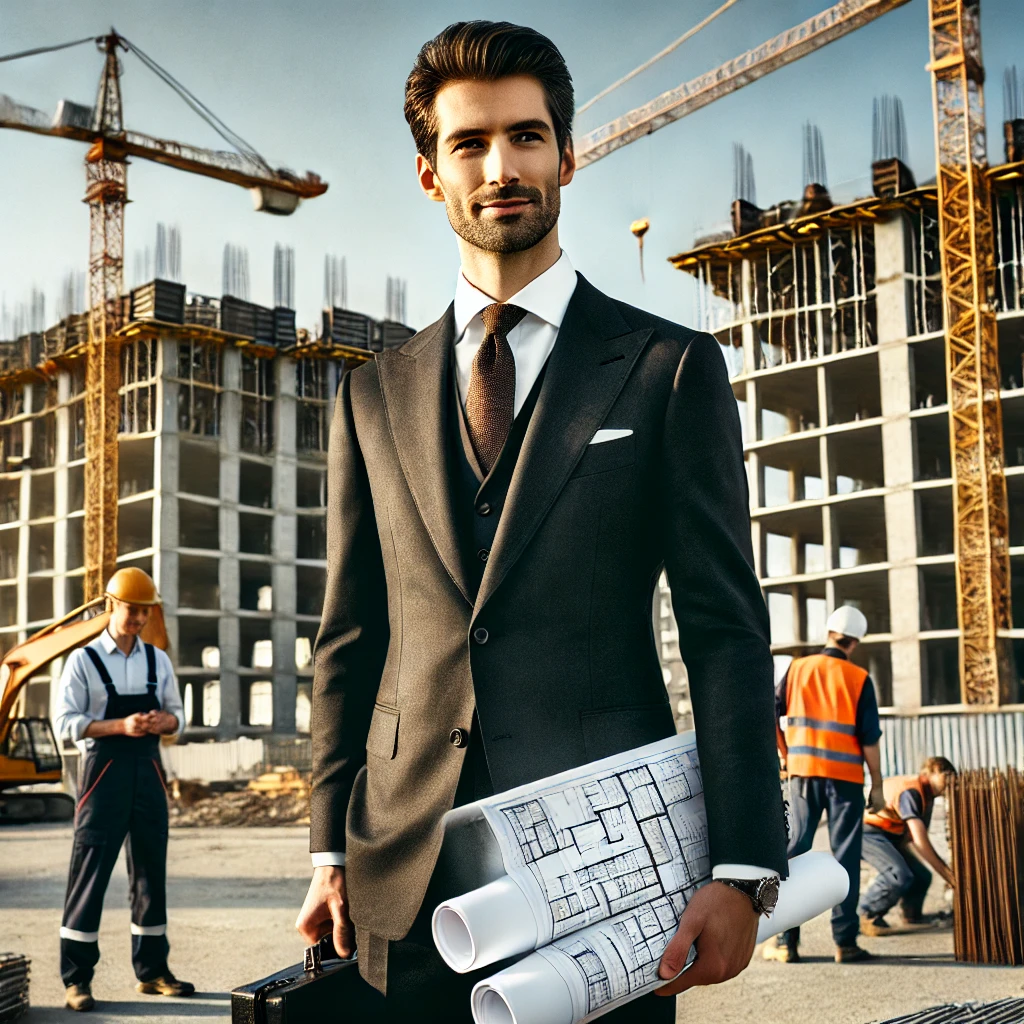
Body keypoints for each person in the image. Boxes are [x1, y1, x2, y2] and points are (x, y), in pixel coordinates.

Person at [296, 21, 788, 1021]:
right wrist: (326, 846)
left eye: (525, 137)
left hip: (601, 870)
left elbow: (725, 630)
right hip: (403, 864)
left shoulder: (669, 369)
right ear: (431, 174)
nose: (500, 165)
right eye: (469, 143)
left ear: (567, 155)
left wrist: (741, 865)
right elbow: (351, 635)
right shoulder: (370, 395)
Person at [54, 568, 192, 1012]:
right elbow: (65, 723)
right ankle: (77, 980)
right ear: (111, 605)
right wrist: (121, 725)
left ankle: (152, 971)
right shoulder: (83, 660)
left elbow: (177, 716)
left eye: (144, 612)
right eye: (132, 610)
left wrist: (162, 723)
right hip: (103, 774)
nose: (137, 619)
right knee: (89, 876)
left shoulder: (158, 660)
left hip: (149, 772)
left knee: (151, 873)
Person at [765, 605, 885, 965]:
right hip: (847, 779)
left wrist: (784, 754)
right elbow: (870, 739)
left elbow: (769, 711)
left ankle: (787, 942)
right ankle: (845, 942)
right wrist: (876, 784)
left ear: (829, 633)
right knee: (846, 856)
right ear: (855, 641)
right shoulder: (859, 678)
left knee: (795, 852)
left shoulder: (799, 668)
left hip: (803, 774)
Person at [859, 757, 956, 934]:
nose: (951, 781)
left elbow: (912, 836)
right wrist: (949, 875)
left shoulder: (928, 796)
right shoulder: (912, 791)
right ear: (933, 770)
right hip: (867, 831)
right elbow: (920, 841)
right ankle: (865, 914)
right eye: (947, 774)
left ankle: (911, 915)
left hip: (888, 834)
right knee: (897, 874)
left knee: (921, 876)